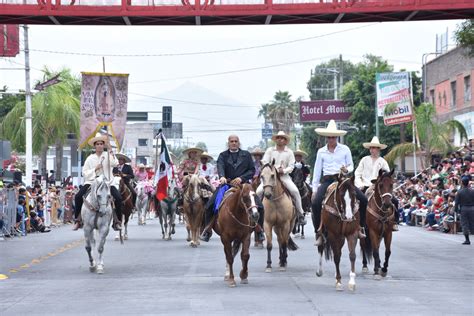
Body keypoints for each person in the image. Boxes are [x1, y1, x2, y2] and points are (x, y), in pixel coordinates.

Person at [311, 120, 368, 246]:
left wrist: (347, 169)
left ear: (337, 137)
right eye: (329, 137)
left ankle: (361, 227)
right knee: (315, 203)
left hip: (343, 179)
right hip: (327, 180)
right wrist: (314, 189)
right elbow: (317, 170)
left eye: (333, 137)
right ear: (327, 137)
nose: (331, 139)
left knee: (364, 200)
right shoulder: (321, 151)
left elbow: (351, 165)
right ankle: (318, 232)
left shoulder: (345, 149)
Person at [200, 134, 262, 242]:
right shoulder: (222, 155)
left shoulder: (246, 155)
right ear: (228, 143)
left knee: (259, 205)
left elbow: (251, 170)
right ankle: (208, 228)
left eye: (236, 141)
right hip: (226, 184)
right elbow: (220, 167)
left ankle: (259, 230)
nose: (234, 143)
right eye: (231, 141)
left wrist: (241, 178)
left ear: (239, 143)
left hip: (244, 185)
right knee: (210, 204)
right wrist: (222, 176)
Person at [73, 133, 123, 231]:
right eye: (98, 144)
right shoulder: (90, 158)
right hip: (92, 182)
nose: (100, 145)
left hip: (107, 182)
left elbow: (115, 163)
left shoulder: (108, 155)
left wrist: (110, 150)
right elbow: (85, 173)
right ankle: (78, 220)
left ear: (103, 145)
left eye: (101, 144)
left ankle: (117, 221)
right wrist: (95, 170)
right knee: (78, 196)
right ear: (95, 145)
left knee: (118, 198)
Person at [256, 131, 306, 225]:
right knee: (258, 192)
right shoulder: (270, 150)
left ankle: (300, 214)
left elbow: (291, 166)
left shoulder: (289, 152)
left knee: (295, 191)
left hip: (284, 177)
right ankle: (257, 214)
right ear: (276, 140)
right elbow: (264, 161)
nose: (280, 139)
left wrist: (284, 170)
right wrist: (271, 169)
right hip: (270, 177)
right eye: (278, 138)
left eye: (282, 138)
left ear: (285, 141)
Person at [354, 136, 399, 231]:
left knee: (395, 201)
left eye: (374, 148)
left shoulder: (382, 161)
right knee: (359, 202)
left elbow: (388, 175)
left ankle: (394, 222)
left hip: (380, 187)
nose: (372, 150)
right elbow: (357, 173)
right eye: (371, 148)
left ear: (378, 149)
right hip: (365, 186)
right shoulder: (364, 160)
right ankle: (359, 224)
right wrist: (360, 184)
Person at [454, 175, 474, 245]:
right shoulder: (472, 191)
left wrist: (456, 210)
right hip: (472, 208)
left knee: (465, 224)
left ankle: (467, 239)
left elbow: (456, 203)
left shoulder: (459, 192)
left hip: (464, 209)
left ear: (462, 183)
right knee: (472, 223)